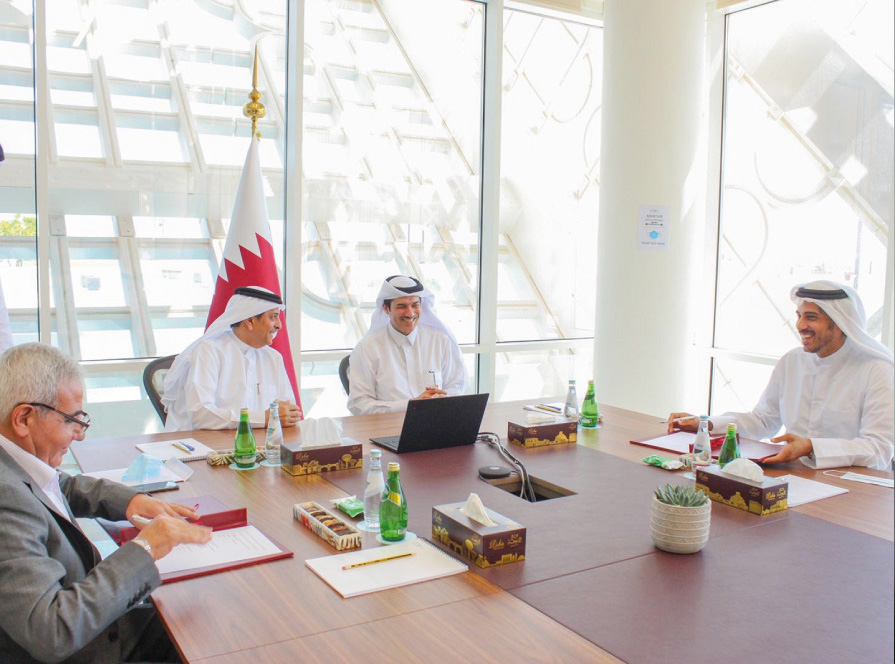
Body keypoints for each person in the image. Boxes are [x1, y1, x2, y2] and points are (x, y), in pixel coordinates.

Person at [0, 342, 212, 663]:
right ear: (24, 419)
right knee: (209, 632)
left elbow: (62, 486)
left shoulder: (14, 463)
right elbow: (52, 631)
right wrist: (144, 549)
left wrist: (132, 501)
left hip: (87, 625)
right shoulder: (5, 498)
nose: (80, 434)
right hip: (85, 649)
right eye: (72, 420)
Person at [668, 280, 894, 470]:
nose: (800, 325)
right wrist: (706, 425)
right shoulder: (792, 361)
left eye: (811, 317)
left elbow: (879, 450)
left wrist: (811, 447)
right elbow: (763, 420)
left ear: (841, 323)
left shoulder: (876, 370)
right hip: (793, 475)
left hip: (853, 490)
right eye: (799, 315)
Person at [162, 287, 302, 431]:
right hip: (204, 447)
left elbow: (289, 412)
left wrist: (281, 416)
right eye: (273, 317)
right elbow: (201, 415)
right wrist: (263, 418)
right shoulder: (209, 351)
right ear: (250, 321)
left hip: (259, 445)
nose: (279, 325)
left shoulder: (273, 357)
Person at [347, 275, 465, 415]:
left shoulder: (439, 340)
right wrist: (411, 405)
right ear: (386, 308)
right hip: (388, 429)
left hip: (436, 423)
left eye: (415, 305)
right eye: (401, 306)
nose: (410, 313)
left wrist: (439, 398)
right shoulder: (368, 348)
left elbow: (456, 385)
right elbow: (358, 404)